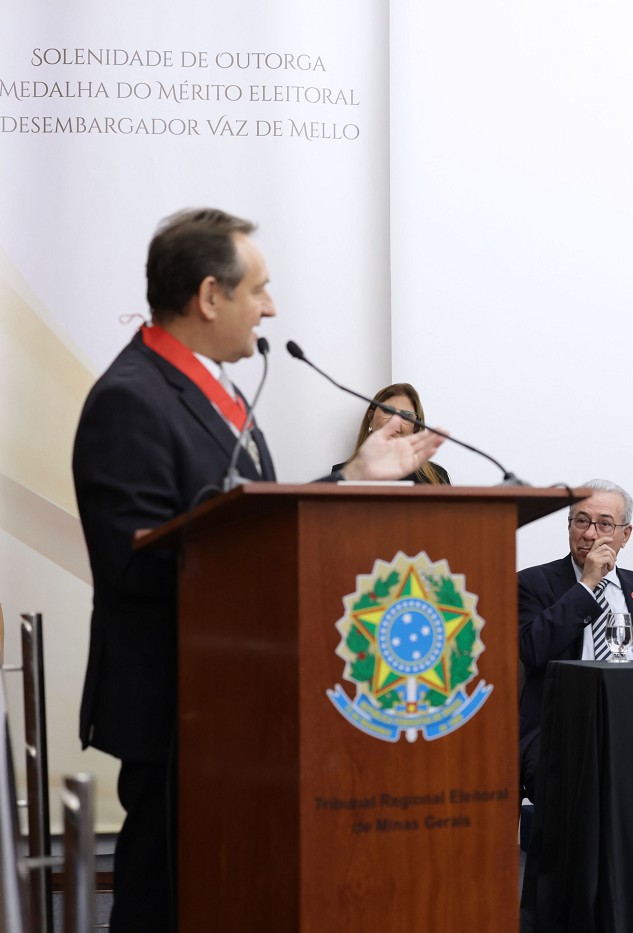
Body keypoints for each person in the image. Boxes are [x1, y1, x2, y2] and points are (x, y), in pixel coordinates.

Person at [71, 208, 444, 933]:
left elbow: (248, 524)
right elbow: (135, 563)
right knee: (162, 898)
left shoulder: (217, 388)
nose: (271, 307)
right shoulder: (131, 398)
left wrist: (353, 481)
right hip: (178, 706)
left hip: (231, 702)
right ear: (210, 297)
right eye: (259, 290)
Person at [517, 479, 633, 799]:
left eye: (604, 524)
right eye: (581, 521)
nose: (590, 534)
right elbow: (533, 652)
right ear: (569, 526)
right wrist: (588, 584)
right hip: (562, 731)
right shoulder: (533, 583)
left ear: (626, 534)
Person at [334, 382, 450, 484]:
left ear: (415, 427)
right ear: (371, 417)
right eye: (388, 411)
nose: (395, 421)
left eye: (406, 415)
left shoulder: (437, 477)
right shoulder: (341, 475)